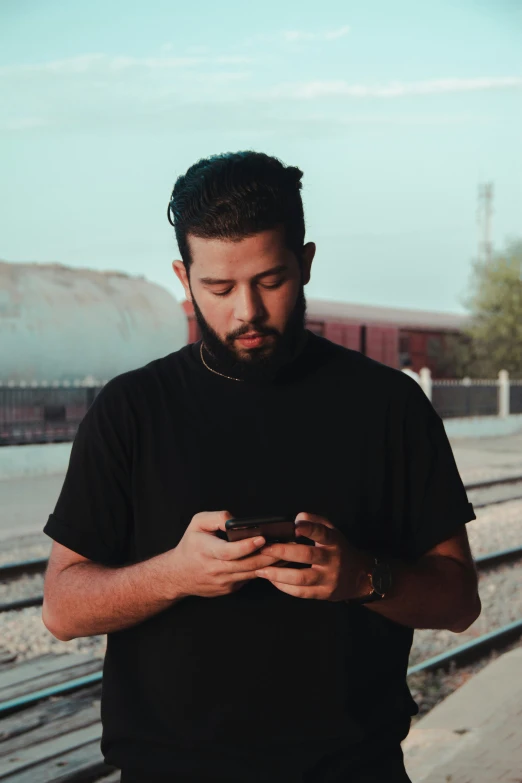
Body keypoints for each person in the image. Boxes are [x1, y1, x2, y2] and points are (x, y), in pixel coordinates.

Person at [42, 151, 480, 783]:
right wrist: (176, 573)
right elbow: (61, 607)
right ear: (183, 276)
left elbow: (459, 598)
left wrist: (361, 576)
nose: (245, 311)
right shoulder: (130, 410)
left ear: (304, 263)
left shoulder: (390, 406)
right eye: (218, 288)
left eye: (270, 280)